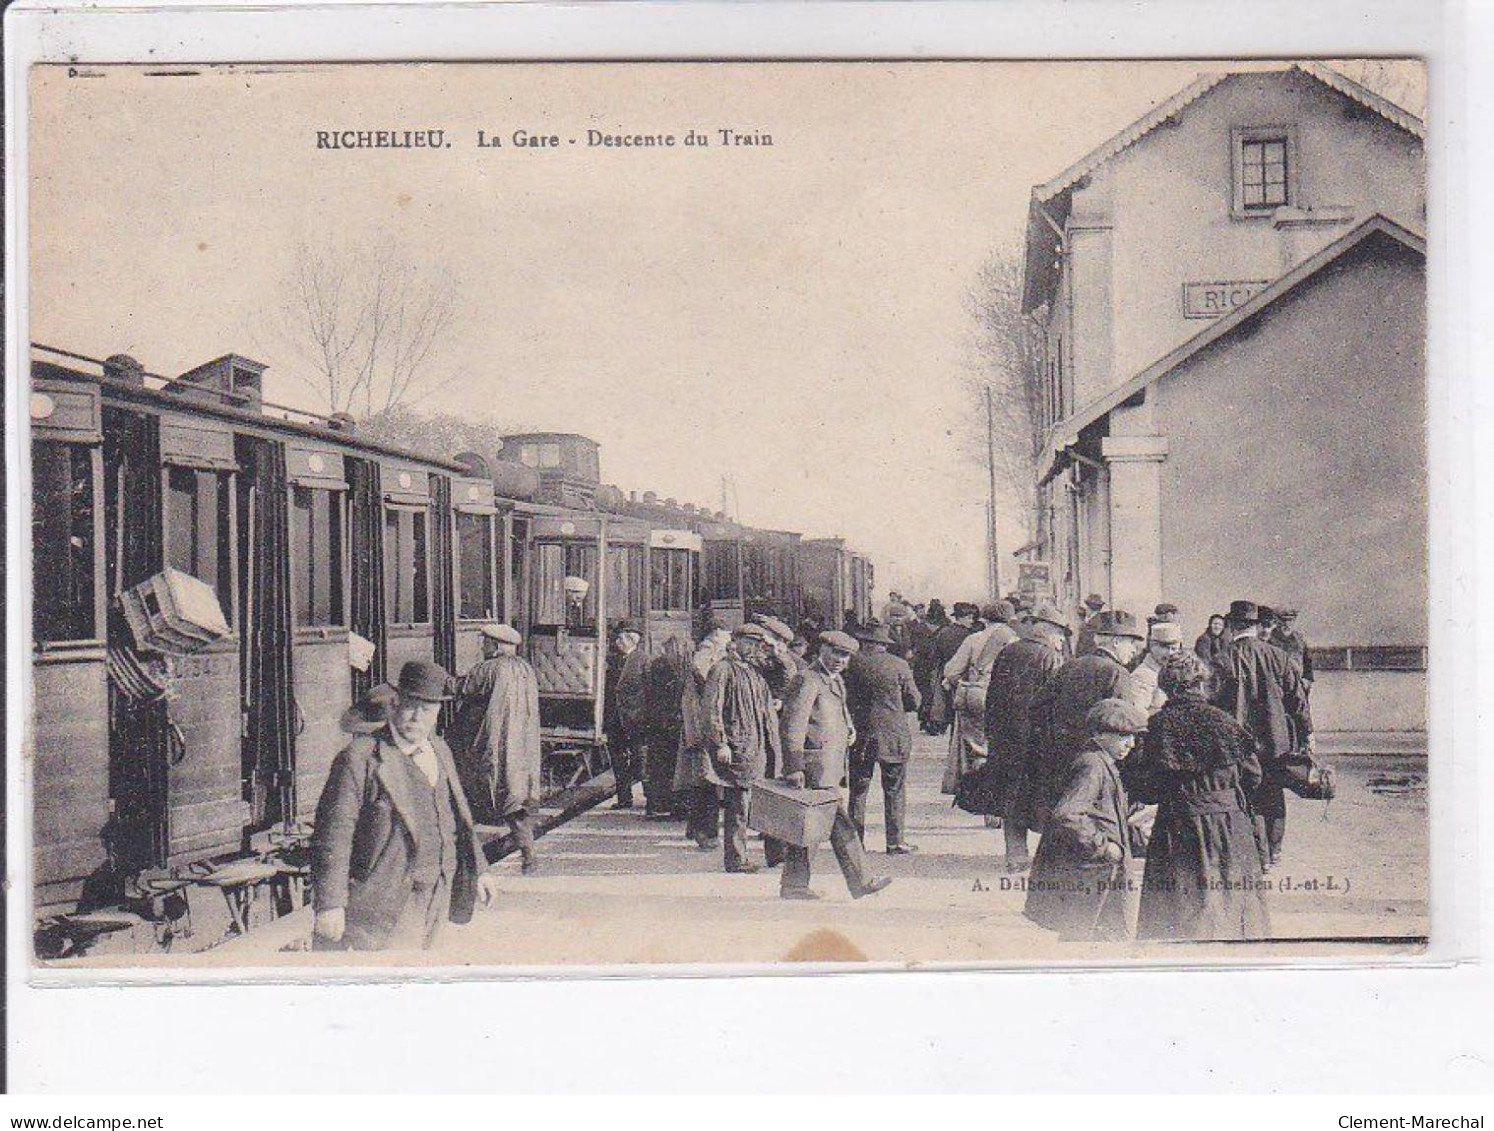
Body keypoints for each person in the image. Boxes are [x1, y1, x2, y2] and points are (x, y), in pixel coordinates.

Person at [312, 660, 499, 950]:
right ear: (395, 703)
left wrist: (481, 869)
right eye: (411, 706)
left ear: (438, 712)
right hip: (386, 900)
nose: (417, 717)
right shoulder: (359, 758)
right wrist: (330, 904)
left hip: (439, 891)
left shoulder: (440, 749)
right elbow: (333, 836)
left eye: (427, 710)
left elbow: (458, 818)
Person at [1126, 653, 1271, 941]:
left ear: (1165, 687)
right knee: (1233, 900)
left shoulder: (1157, 727)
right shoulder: (1225, 722)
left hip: (1178, 825)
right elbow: (1253, 776)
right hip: (1229, 825)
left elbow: (1146, 789)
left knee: (1179, 906)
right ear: (1201, 685)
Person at [778, 631, 893, 901]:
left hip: (829, 767)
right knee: (838, 826)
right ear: (822, 649)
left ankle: (794, 884)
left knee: (810, 826)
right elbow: (792, 726)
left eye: (846, 656)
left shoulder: (834, 680)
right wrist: (794, 766)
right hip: (813, 767)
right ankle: (861, 881)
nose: (841, 660)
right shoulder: (807, 679)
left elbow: (839, 713)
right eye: (837, 653)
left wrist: (849, 729)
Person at [1023, 698, 1149, 941]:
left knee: (1096, 938)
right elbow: (1068, 815)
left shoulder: (1102, 762)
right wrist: (1103, 846)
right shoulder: (1092, 765)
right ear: (1101, 734)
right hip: (1092, 872)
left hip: (1102, 872)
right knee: (1085, 938)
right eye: (1124, 737)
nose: (1131, 744)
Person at [1213, 600, 1313, 872]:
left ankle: (1259, 856)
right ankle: (1275, 850)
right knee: (1274, 792)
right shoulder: (1278, 656)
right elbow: (1298, 700)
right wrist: (1307, 733)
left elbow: (1213, 703)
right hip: (1275, 741)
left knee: (1247, 795)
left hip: (1237, 742)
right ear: (1257, 626)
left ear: (1232, 627)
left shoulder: (1222, 659)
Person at [1028, 610, 1146, 832]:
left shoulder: (1071, 665)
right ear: (1116, 642)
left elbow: (1036, 705)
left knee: (1068, 814)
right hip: (1100, 758)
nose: (1134, 649)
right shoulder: (1117, 673)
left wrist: (1056, 736)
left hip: (1063, 755)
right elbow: (1125, 722)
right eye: (1130, 642)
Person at [448, 624, 544, 874]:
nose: (483, 646)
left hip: (492, 745)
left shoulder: (489, 669)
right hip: (520, 747)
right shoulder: (525, 669)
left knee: (468, 795)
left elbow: (459, 688)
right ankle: (528, 854)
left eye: (486, 642)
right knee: (515, 800)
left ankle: (467, 864)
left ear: (496, 645)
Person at [984, 602, 1069, 873]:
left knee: (1012, 796)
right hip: (1036, 739)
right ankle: (1047, 856)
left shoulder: (1007, 652)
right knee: (1043, 796)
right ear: (1047, 631)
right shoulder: (1050, 658)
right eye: (1059, 634)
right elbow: (1054, 702)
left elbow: (992, 696)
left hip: (1005, 737)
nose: (1061, 640)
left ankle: (1015, 854)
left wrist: (992, 732)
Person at [702, 623, 783, 874]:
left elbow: (786, 676)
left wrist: (777, 652)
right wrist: (720, 742)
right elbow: (711, 709)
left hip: (762, 745)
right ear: (734, 642)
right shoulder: (722, 669)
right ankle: (736, 859)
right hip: (740, 746)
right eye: (749, 642)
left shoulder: (756, 670)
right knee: (739, 805)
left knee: (766, 799)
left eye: (758, 644)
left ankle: (775, 855)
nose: (755, 648)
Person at [845, 621, 922, 854]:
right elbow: (914, 701)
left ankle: (855, 842)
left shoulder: (852, 664)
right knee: (894, 788)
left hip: (861, 733)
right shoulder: (898, 665)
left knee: (858, 789)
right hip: (893, 734)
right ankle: (895, 841)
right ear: (884, 644)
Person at [940, 601, 1019, 795]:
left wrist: (964, 682)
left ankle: (977, 792)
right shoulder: (1014, 641)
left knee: (977, 747)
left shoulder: (973, 639)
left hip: (976, 695)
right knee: (1001, 746)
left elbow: (951, 671)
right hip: (1003, 699)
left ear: (985, 619)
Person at [674, 619, 732, 850]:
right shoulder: (707, 655)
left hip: (699, 726)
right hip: (703, 729)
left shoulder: (706, 653)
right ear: (717, 633)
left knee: (702, 779)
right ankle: (705, 832)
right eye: (727, 634)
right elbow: (709, 688)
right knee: (707, 780)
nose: (729, 639)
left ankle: (696, 827)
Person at [603, 620, 650, 810]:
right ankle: (624, 798)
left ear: (632, 639)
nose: (617, 642)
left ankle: (651, 799)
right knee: (618, 759)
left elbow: (649, 691)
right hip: (615, 719)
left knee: (641, 759)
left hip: (636, 718)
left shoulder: (644, 660)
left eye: (620, 638)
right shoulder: (612, 660)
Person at [643, 636, 691, 820]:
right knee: (676, 767)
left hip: (661, 724)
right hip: (677, 723)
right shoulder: (685, 668)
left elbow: (653, 695)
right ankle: (678, 806)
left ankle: (660, 804)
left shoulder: (660, 666)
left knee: (660, 766)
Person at [926, 602, 978, 736]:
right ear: (961, 618)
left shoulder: (943, 632)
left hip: (945, 675)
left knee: (947, 709)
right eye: (969, 617)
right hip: (965, 676)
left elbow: (934, 655)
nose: (971, 621)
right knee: (962, 713)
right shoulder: (971, 636)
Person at [1130, 620, 1184, 715]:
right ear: (1152, 646)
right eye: (1165, 648)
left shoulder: (1173, 672)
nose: (1170, 653)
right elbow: (1137, 714)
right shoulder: (1142, 676)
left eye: (1174, 649)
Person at [1271, 608, 1315, 695]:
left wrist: (1307, 680)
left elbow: (1308, 662)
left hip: (1298, 686)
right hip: (1276, 687)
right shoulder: (1269, 639)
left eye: (1290, 620)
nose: (1287, 624)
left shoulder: (1300, 640)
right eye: (1283, 620)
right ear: (1276, 620)